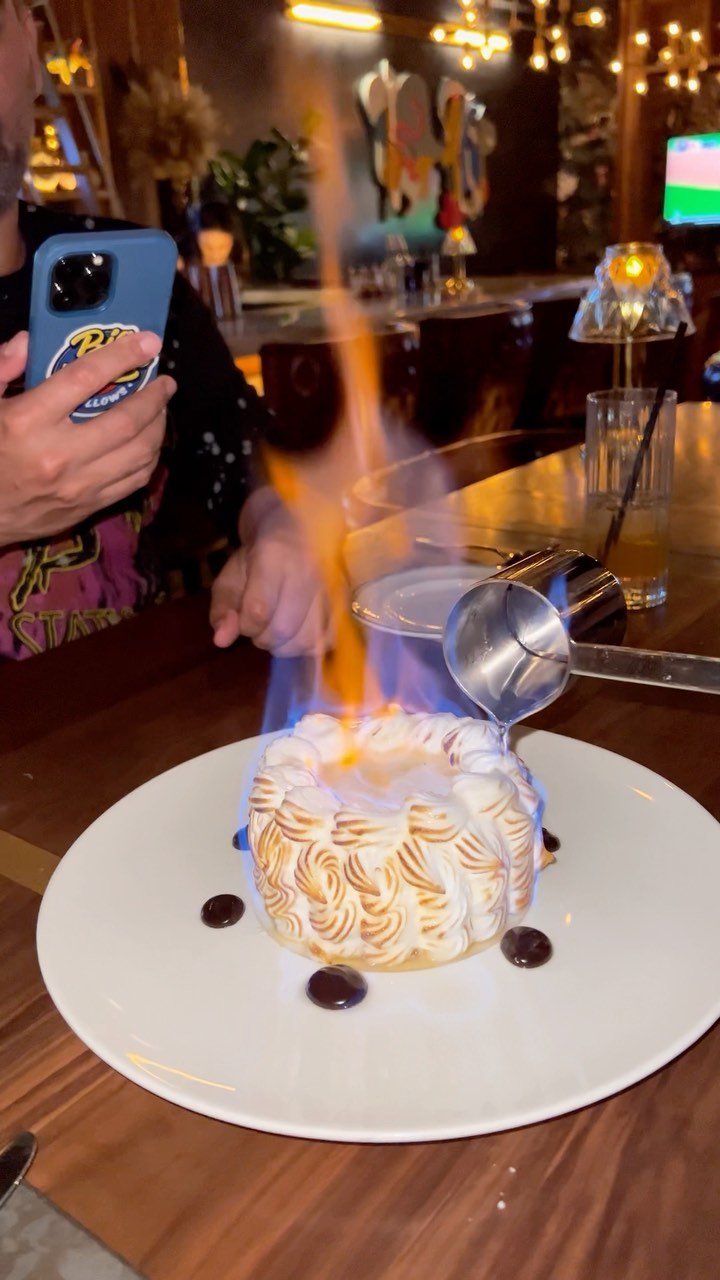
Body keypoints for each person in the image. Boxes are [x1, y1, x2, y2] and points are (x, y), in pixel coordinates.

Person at [0, 0, 327, 660]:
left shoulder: (125, 266)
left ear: (30, 48)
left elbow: (238, 442)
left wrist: (281, 528)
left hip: (137, 701)